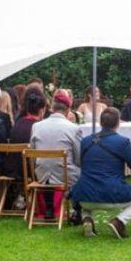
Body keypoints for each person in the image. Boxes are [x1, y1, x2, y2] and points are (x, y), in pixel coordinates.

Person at [69, 107, 131, 239]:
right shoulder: (122, 142)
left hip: (83, 197)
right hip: (112, 194)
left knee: (88, 186)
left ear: (101, 123)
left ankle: (87, 218)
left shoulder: (85, 141)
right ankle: (119, 221)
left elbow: (81, 164)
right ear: (118, 123)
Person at [29, 89, 84, 222]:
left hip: (42, 174)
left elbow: (33, 152)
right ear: (68, 110)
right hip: (65, 174)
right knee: (82, 171)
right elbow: (78, 157)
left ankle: (49, 209)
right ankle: (76, 210)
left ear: (52, 108)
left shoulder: (36, 126)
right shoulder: (74, 128)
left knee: (48, 167)